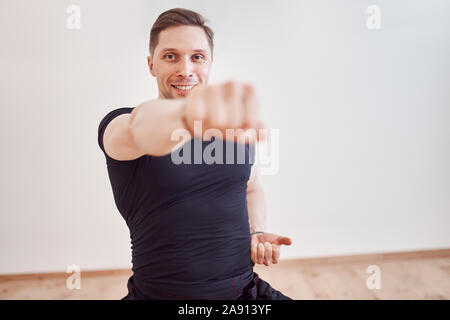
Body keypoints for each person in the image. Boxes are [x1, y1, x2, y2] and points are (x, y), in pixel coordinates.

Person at [97, 8, 293, 300]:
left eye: (197, 57)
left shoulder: (229, 129)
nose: (185, 70)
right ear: (151, 64)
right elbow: (139, 129)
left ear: (210, 63)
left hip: (245, 293)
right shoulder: (123, 125)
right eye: (170, 56)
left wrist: (258, 232)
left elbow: (250, 187)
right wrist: (188, 116)